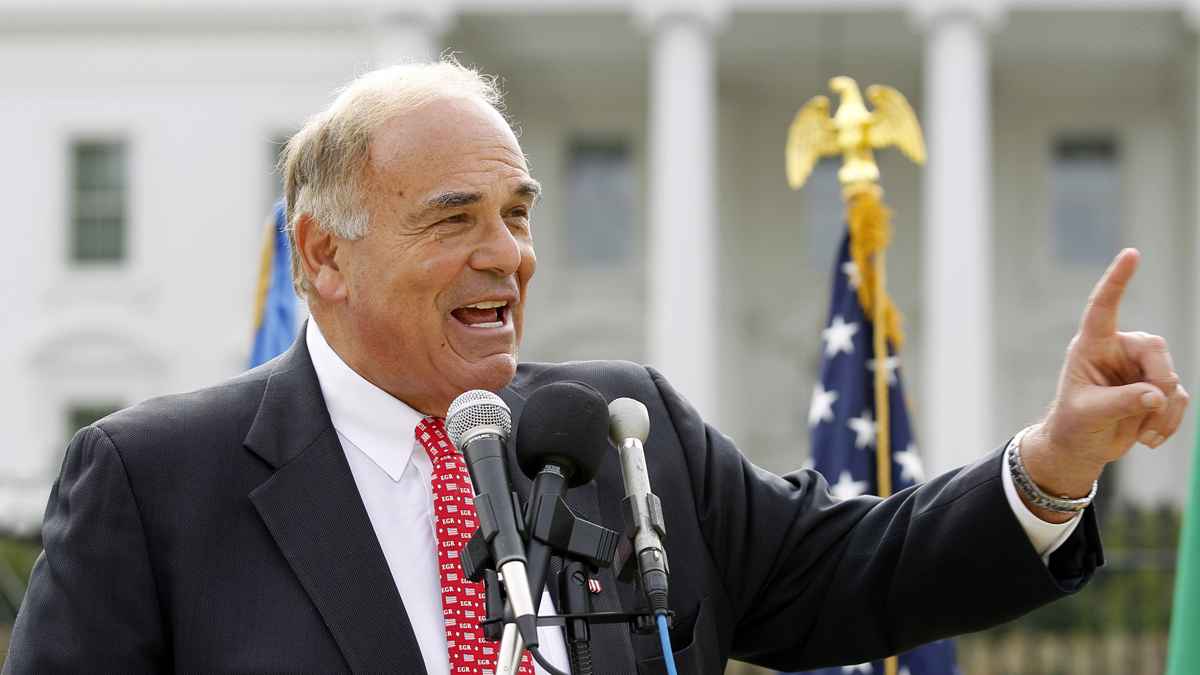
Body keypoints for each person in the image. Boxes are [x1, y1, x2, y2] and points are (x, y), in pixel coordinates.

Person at [5, 60, 1189, 675]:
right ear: (323, 256)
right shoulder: (157, 486)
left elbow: (850, 571)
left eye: (519, 214)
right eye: (455, 218)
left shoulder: (619, 434)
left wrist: (1054, 463)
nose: (508, 255)